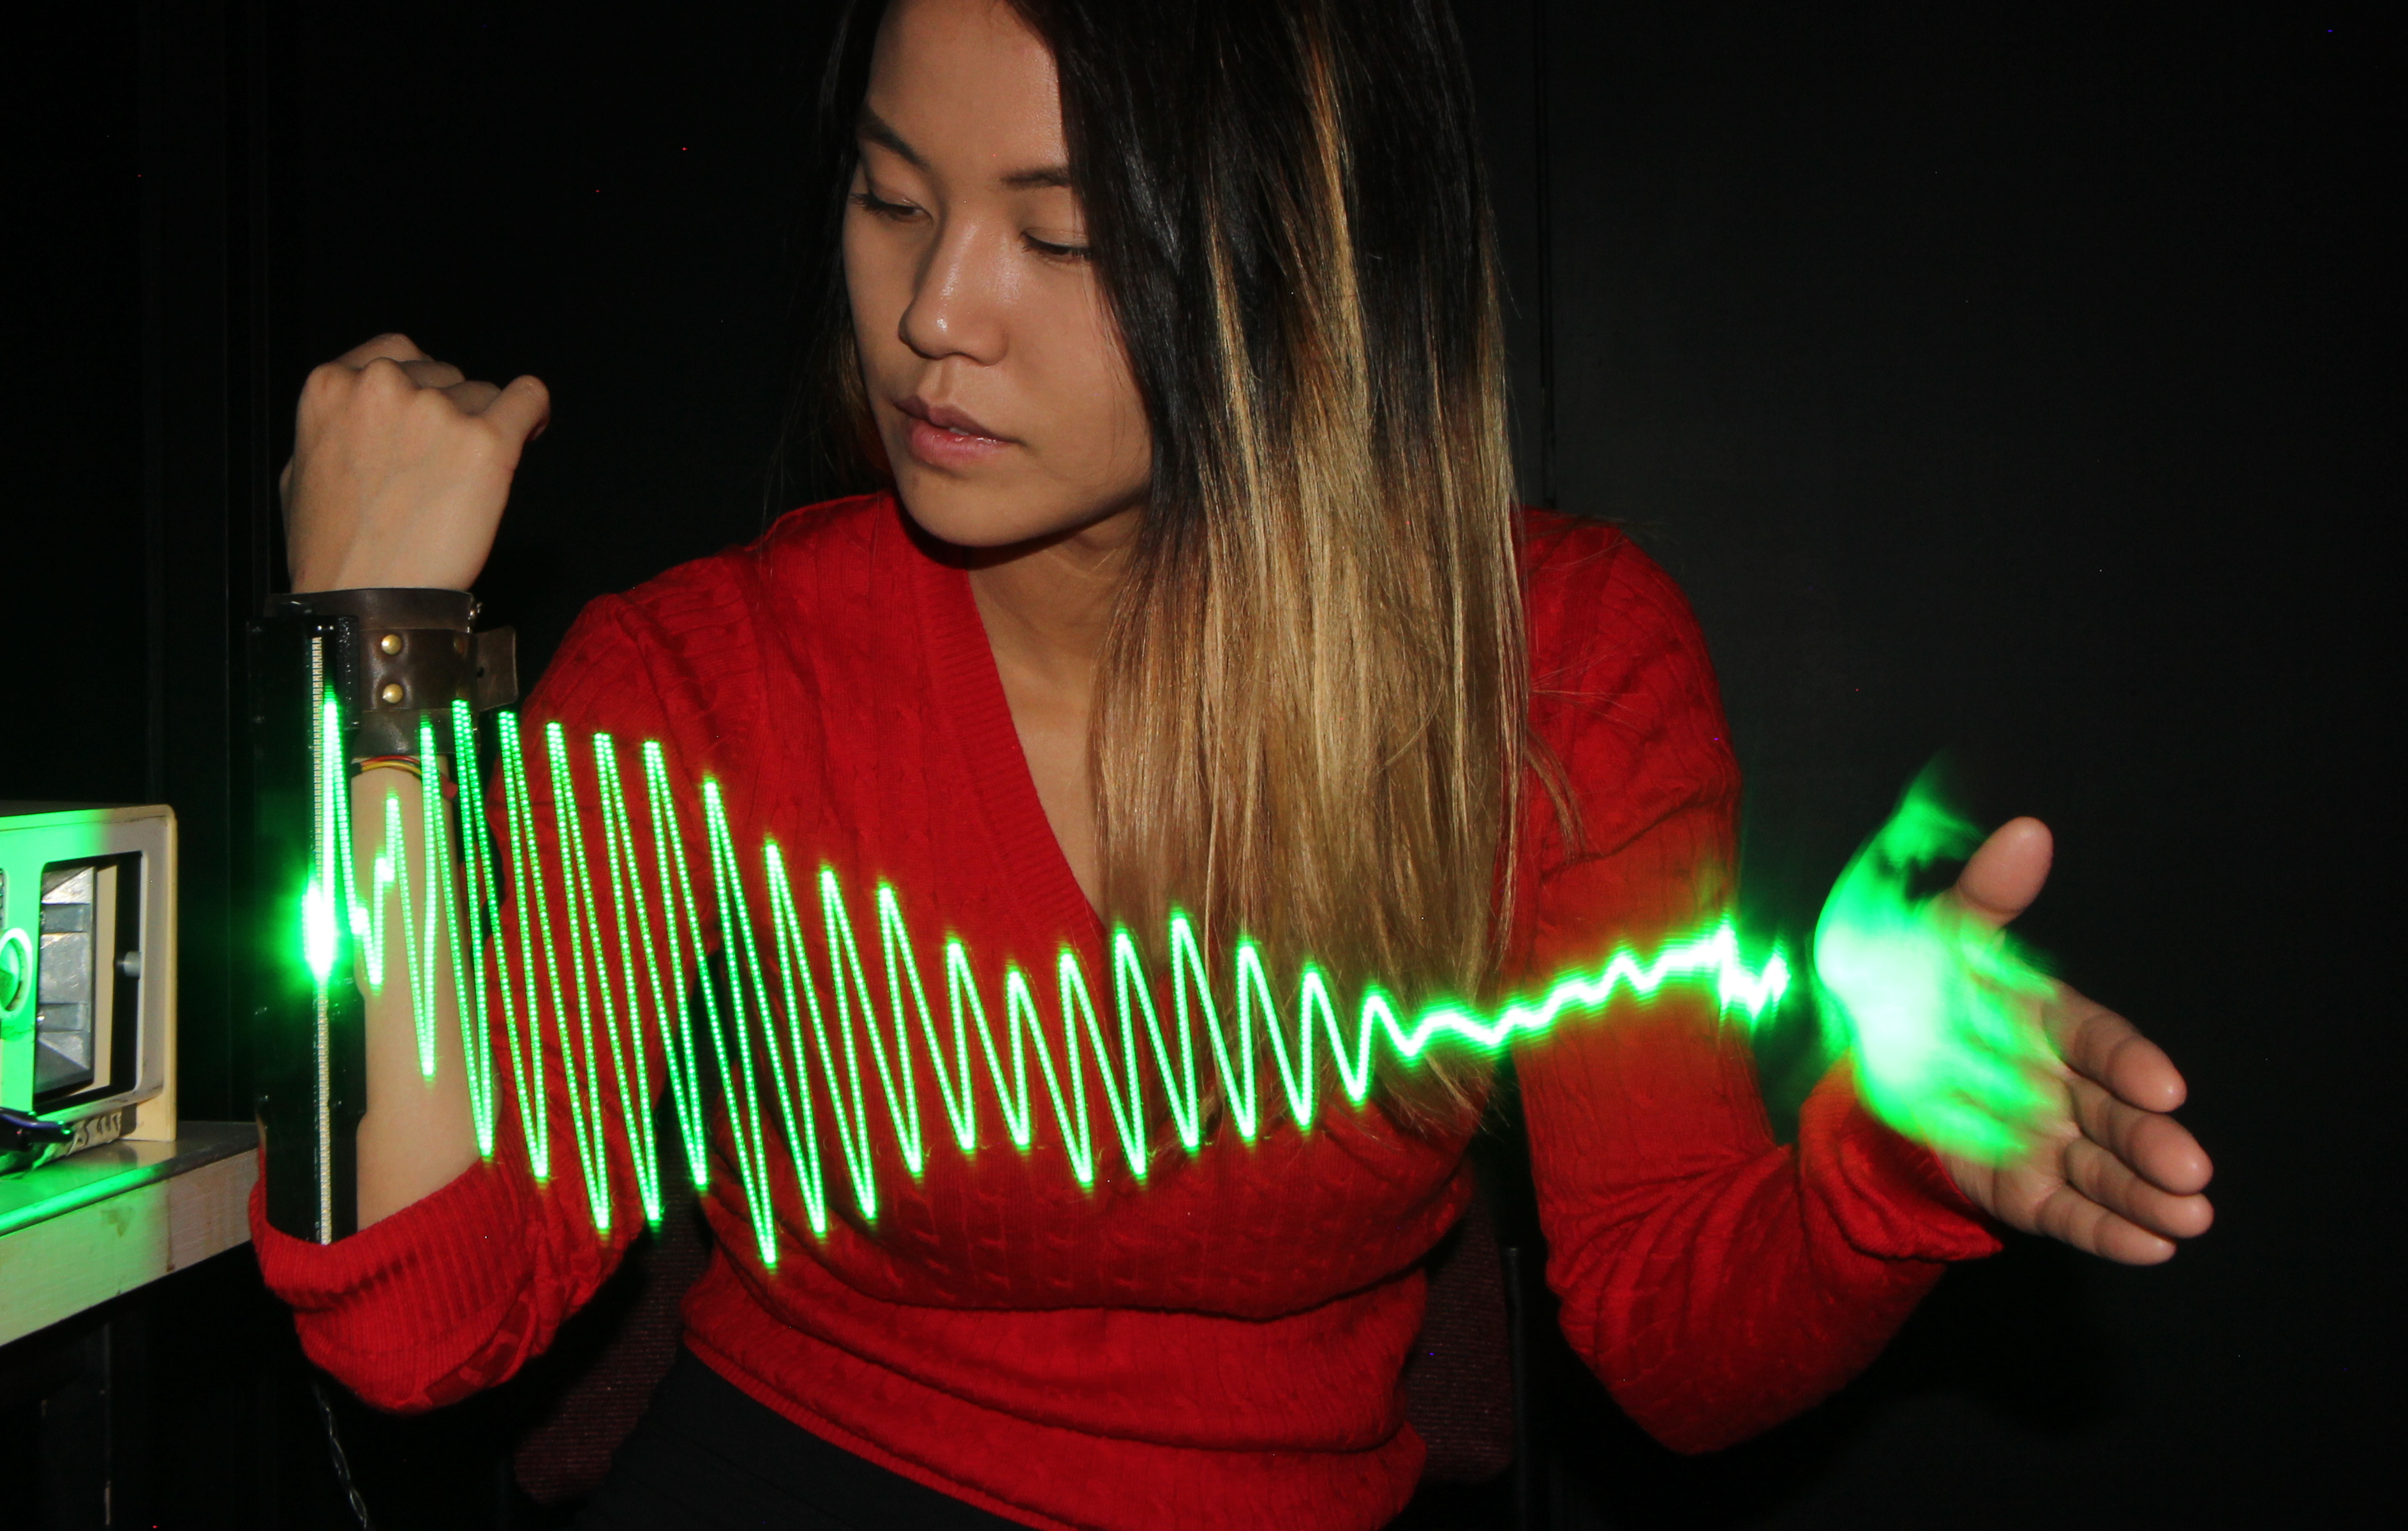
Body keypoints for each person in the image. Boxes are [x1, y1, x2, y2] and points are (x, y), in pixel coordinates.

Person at [254, 2, 2215, 1527]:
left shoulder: (1549, 669)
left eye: (1064, 233)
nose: (933, 314)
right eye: (889, 196)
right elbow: (422, 1326)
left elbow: (1671, 1352)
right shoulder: (714, 670)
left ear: (1303, 256)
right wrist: (370, 661)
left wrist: (1878, 1175)